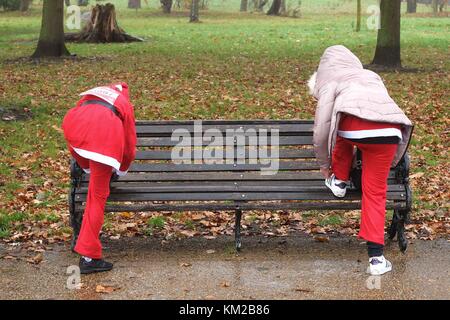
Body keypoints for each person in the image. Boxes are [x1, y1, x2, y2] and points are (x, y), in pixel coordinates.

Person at [308, 45, 413, 276]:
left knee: (341, 128)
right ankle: (376, 260)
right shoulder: (371, 75)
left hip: (356, 130)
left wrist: (327, 169)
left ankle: (340, 183)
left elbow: (323, 130)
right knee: (375, 193)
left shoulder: (332, 82)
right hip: (390, 132)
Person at [62, 82, 137, 274]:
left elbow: (79, 129)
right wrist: (120, 171)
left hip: (74, 126)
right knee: (97, 196)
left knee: (94, 187)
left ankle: (87, 252)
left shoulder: (93, 93)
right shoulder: (123, 102)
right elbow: (129, 146)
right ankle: (88, 257)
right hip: (104, 137)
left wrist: (86, 166)